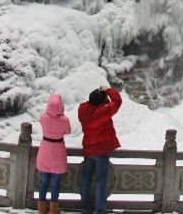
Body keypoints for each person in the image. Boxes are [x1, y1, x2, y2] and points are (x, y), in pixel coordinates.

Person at [78, 84, 122, 214]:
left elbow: (90, 103)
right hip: (101, 150)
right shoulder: (103, 111)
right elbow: (118, 101)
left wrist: (99, 96)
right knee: (101, 180)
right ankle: (99, 209)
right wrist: (108, 90)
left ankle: (85, 208)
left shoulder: (82, 109)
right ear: (102, 102)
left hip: (88, 149)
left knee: (86, 178)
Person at [36, 93, 71, 214]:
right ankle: (53, 210)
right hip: (58, 151)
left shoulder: (43, 117)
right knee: (55, 183)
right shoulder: (64, 120)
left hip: (45, 150)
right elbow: (68, 131)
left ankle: (41, 209)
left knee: (44, 181)